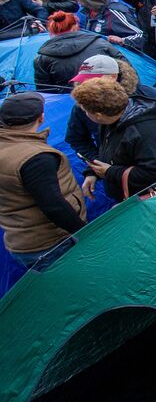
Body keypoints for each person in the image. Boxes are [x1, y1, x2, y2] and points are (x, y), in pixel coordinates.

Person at [0, 91, 86, 269]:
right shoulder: (35, 157)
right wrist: (85, 233)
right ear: (41, 118)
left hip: (20, 239)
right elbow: (53, 205)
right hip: (51, 242)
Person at [71, 77, 156, 202]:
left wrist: (110, 172)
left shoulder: (149, 130)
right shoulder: (110, 121)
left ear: (98, 115)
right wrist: (93, 172)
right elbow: (111, 152)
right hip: (137, 197)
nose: (85, 115)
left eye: (85, 111)